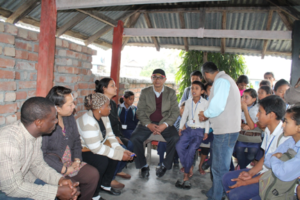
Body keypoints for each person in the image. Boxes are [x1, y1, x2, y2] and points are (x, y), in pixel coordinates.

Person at [0, 97, 80, 200]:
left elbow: (38, 165)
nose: (56, 121)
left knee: (58, 190)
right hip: (5, 189)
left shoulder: (36, 135)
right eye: (53, 119)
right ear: (39, 122)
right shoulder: (9, 143)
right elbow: (12, 188)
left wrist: (60, 180)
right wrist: (56, 192)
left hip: (24, 180)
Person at [222, 95, 290, 200]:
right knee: (226, 178)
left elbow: (274, 173)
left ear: (271, 115)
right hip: (262, 173)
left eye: (260, 112)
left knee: (236, 195)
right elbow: (266, 156)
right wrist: (250, 173)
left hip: (272, 178)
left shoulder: (285, 138)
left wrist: (247, 181)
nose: (257, 115)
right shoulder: (268, 130)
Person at [42, 86, 99, 200]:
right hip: (54, 167)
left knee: (93, 174)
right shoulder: (46, 124)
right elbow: (42, 155)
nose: (74, 107)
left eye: (73, 103)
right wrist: (65, 169)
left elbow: (77, 141)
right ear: (57, 108)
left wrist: (77, 160)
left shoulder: (69, 118)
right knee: (72, 189)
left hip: (70, 162)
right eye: (70, 105)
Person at [77, 93, 135, 196]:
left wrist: (122, 151)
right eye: (108, 106)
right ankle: (94, 194)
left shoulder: (104, 117)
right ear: (99, 107)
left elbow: (111, 137)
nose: (110, 109)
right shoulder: (87, 122)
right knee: (102, 161)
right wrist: (121, 155)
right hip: (83, 150)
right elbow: (96, 149)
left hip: (95, 147)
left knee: (114, 153)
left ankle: (105, 184)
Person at [198, 62, 241, 200]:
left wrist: (205, 114)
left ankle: (217, 196)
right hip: (224, 131)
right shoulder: (225, 79)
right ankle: (217, 191)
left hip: (225, 131)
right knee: (218, 165)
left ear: (206, 74)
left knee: (219, 168)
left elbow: (217, 107)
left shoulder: (221, 81)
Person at [130, 69, 180, 178]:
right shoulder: (145, 92)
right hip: (148, 122)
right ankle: (143, 165)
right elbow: (140, 111)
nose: (157, 80)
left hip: (164, 122)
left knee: (175, 138)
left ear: (165, 79)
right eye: (155, 77)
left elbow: (175, 111)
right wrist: (148, 124)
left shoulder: (170, 93)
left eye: (160, 77)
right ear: (151, 79)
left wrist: (165, 125)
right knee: (134, 137)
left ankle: (165, 165)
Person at [95, 78, 133, 188]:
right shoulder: (99, 103)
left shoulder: (112, 103)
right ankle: (108, 179)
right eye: (112, 86)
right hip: (104, 137)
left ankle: (117, 170)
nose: (116, 88)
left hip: (115, 134)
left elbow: (115, 122)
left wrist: (118, 135)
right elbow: (103, 126)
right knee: (120, 147)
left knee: (131, 144)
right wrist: (114, 137)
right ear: (104, 88)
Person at [175, 81, 209, 189]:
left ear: (202, 91)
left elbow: (207, 119)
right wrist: (181, 127)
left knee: (191, 151)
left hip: (199, 132)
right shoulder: (188, 102)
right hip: (188, 130)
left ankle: (186, 176)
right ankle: (188, 167)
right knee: (179, 146)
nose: (193, 90)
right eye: (192, 88)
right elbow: (184, 116)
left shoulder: (205, 103)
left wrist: (206, 132)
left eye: (197, 88)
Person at [264, 106, 300, 199]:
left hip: (292, 192)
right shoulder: (290, 141)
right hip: (282, 187)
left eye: (286, 122)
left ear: (299, 128)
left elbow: (282, 173)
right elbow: (267, 160)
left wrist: (275, 158)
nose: (283, 125)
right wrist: (278, 162)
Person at [235, 89, 260, 169]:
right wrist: (242, 125)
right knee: (238, 150)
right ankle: (242, 168)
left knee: (252, 153)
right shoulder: (238, 106)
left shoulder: (258, 109)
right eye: (243, 97)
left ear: (254, 99)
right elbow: (234, 120)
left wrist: (245, 109)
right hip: (242, 136)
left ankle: (242, 167)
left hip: (254, 138)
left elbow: (252, 126)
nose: (243, 99)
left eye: (246, 97)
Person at [157, 102, 184, 169]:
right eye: (182, 108)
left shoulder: (186, 119)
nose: (183, 111)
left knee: (177, 141)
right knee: (162, 142)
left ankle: (175, 161)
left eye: (185, 110)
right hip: (168, 134)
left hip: (178, 136)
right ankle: (161, 161)